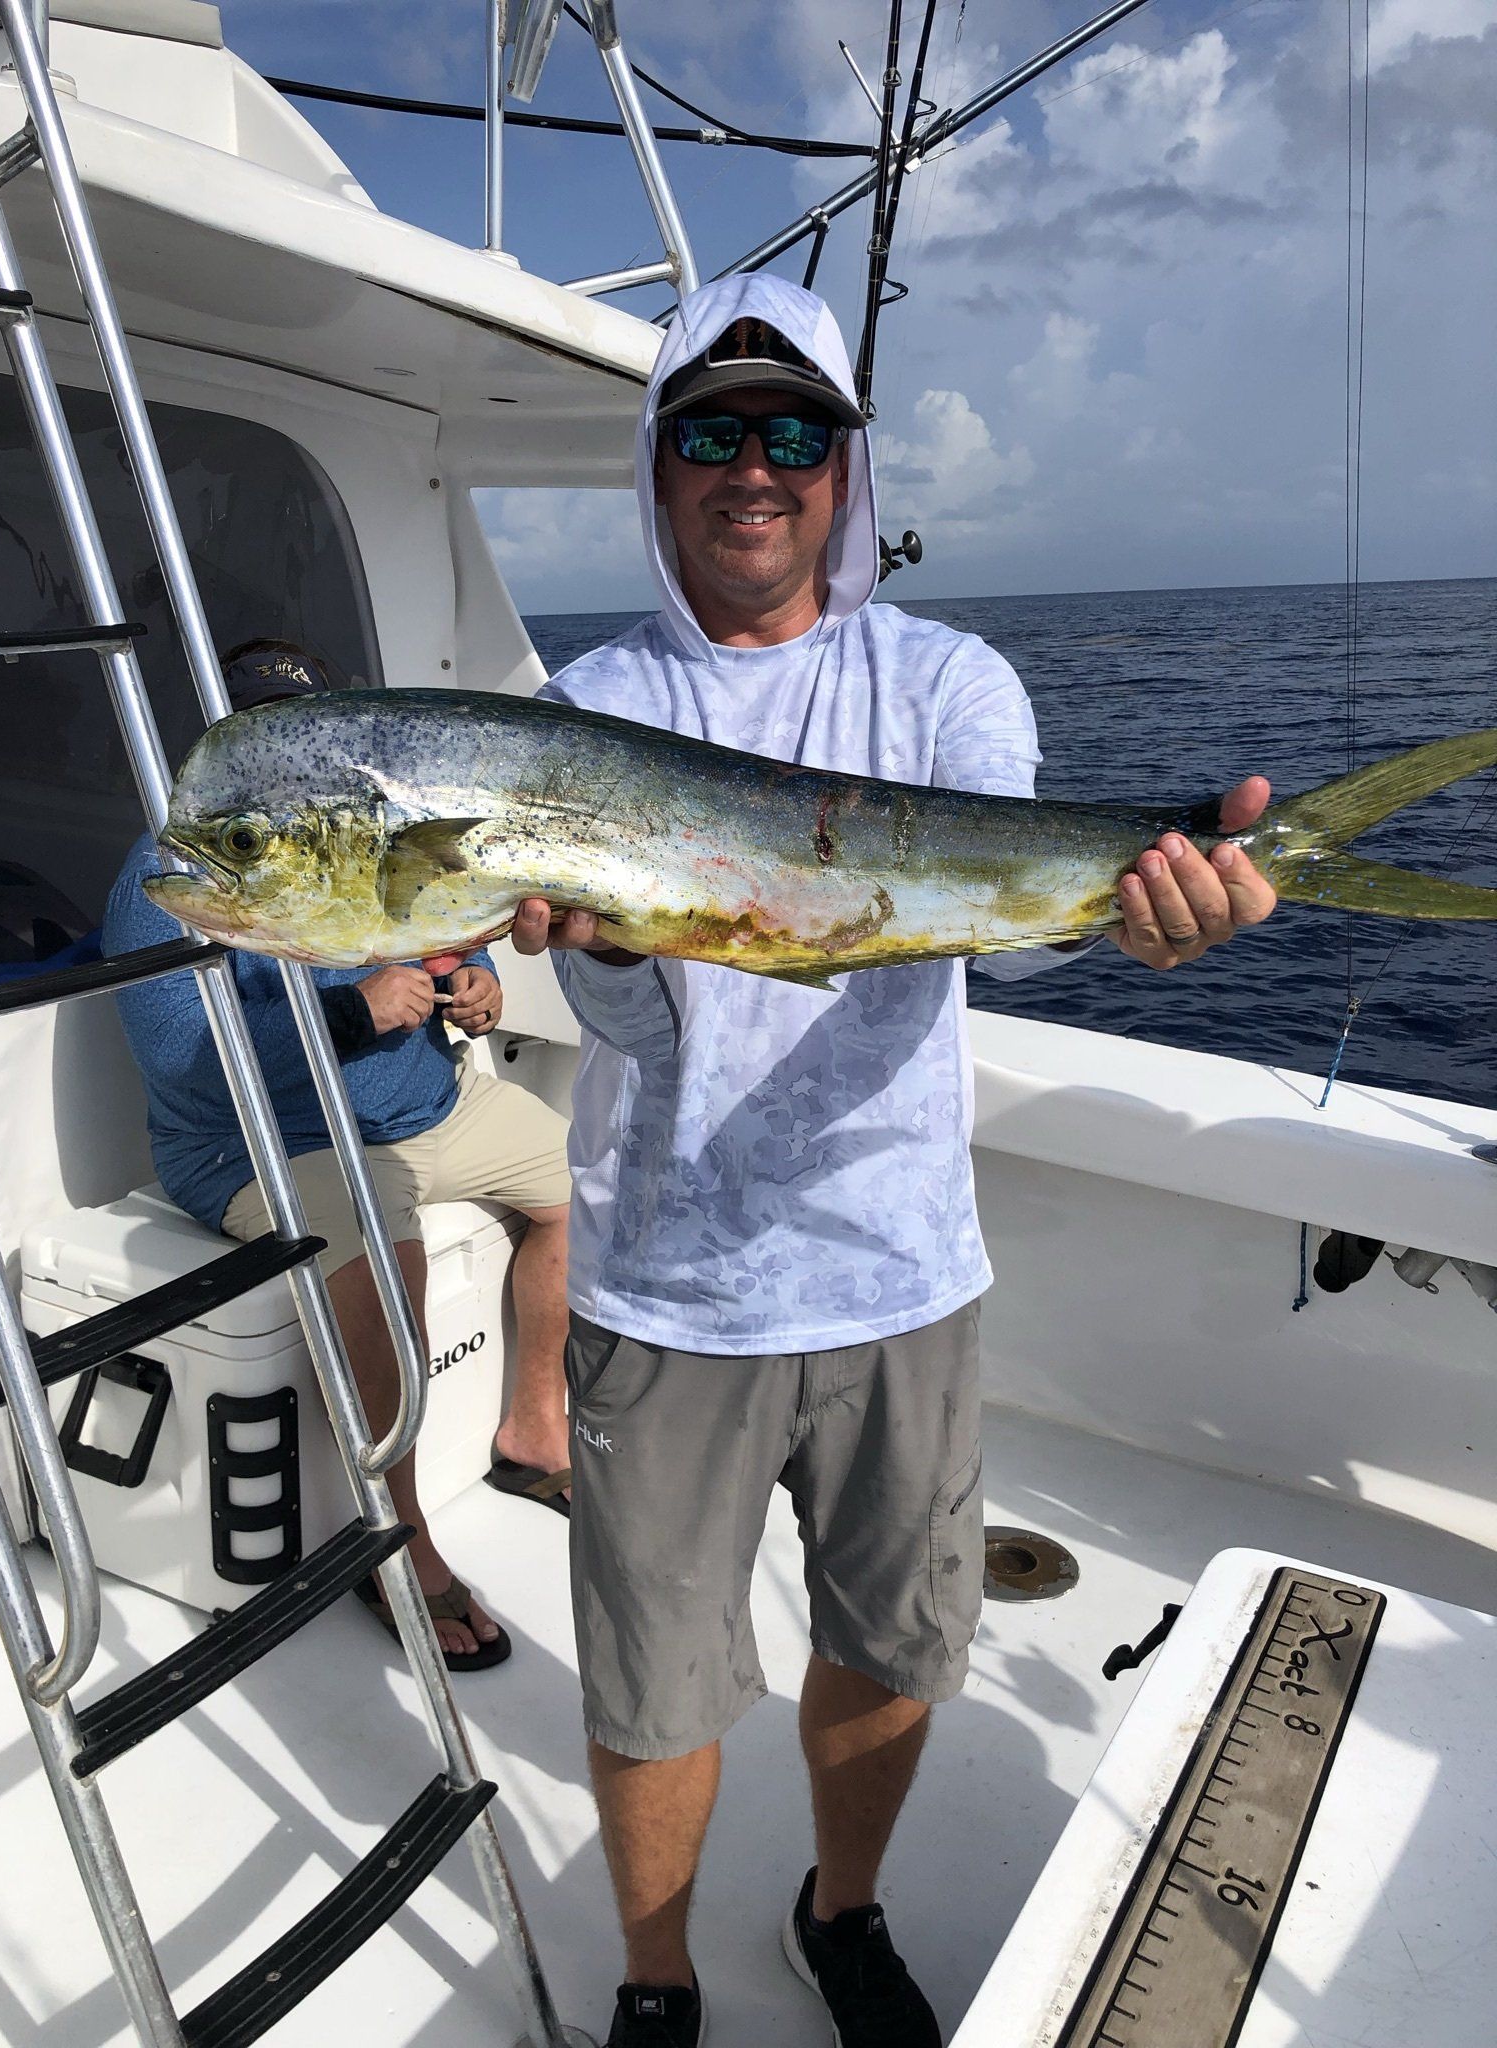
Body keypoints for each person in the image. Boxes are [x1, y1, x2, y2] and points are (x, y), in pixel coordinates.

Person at [508, 278, 1279, 2047]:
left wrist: (1134, 918)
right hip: (666, 1285)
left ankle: (838, 1912)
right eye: (712, 430)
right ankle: (656, 1975)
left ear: (847, 468)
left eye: (797, 430)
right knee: (653, 1683)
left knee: (889, 1641)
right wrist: (604, 957)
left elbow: (1014, 933)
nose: (755, 466)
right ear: (657, 466)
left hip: (898, 1267)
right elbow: (624, 1026)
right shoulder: (583, 709)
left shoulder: (946, 680)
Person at [104, 640, 575, 1672]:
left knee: (590, 1180)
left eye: (310, 735)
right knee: (381, 1245)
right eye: (263, 732)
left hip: (429, 1108)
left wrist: (478, 982)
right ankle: (391, 1534)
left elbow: (451, 935)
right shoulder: (172, 867)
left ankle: (536, 1426)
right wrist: (351, 1013)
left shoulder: (378, 830)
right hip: (261, 1145)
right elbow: (182, 1061)